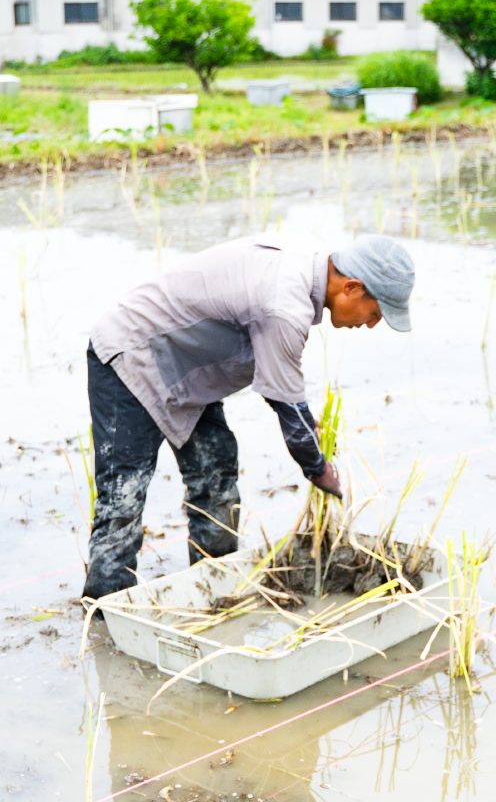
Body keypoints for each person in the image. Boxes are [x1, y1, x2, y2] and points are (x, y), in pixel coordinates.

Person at [82, 233, 415, 600]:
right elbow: (288, 409)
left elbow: (285, 394)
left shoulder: (302, 273)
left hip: (186, 370)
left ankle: (214, 589)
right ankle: (103, 618)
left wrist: (307, 427)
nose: (370, 324)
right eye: (375, 314)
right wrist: (320, 470)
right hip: (133, 356)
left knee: (216, 478)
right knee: (122, 501)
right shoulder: (285, 304)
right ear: (352, 287)